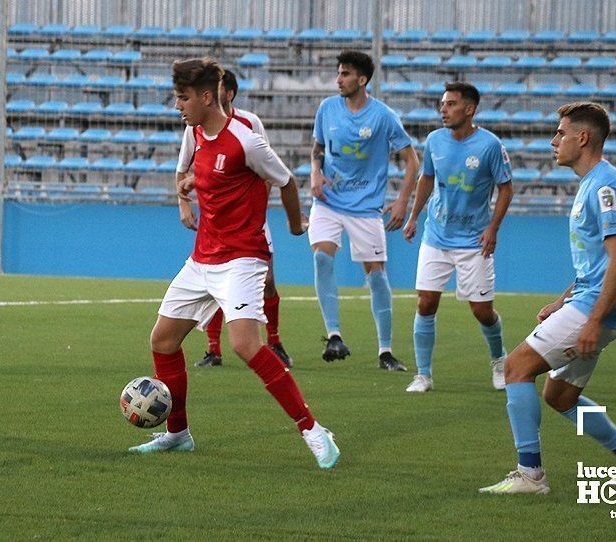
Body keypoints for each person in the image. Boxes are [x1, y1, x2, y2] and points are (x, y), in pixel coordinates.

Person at [129, 58, 339, 469]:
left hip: (243, 257)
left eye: (183, 98)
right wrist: (190, 186)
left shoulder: (245, 139)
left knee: (245, 345)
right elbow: (203, 174)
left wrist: (296, 225)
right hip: (203, 257)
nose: (177, 105)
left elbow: (286, 181)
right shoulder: (195, 133)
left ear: (207, 97)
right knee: (162, 341)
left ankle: (313, 430)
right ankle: (177, 434)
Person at [480, 102, 616, 494]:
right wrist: (564, 300)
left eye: (560, 133)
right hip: (593, 301)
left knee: (514, 368)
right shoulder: (597, 182)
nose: (553, 141)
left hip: (599, 306)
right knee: (560, 396)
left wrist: (592, 319)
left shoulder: (605, 188)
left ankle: (531, 476)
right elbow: (597, 262)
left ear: (583, 137)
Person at [310, 50, 420, 370]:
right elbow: (317, 147)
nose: (338, 79)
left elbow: (412, 161)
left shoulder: (383, 116)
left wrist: (402, 201)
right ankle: (334, 335)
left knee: (376, 276)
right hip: (328, 202)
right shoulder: (327, 108)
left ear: (362, 79)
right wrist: (316, 173)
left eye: (345, 74)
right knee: (321, 256)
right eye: (338, 73)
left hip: (365, 207)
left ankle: (385, 352)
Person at [401, 82, 514, 393]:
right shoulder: (435, 140)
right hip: (436, 235)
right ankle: (423, 374)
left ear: (469, 109)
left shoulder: (490, 145)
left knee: (481, 310)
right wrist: (413, 217)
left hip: (474, 241)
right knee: (426, 303)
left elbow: (506, 188)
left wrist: (493, 227)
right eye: (442, 104)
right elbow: (427, 178)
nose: (443, 109)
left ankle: (498, 360)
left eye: (451, 104)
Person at [175, 69, 292, 369]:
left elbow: (268, 170)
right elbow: (185, 168)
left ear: (226, 94)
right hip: (215, 224)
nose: (179, 105)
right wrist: (185, 203)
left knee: (268, 281)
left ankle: (275, 341)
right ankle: (213, 349)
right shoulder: (195, 128)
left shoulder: (248, 125)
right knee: (212, 282)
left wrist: (255, 204)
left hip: (250, 221)